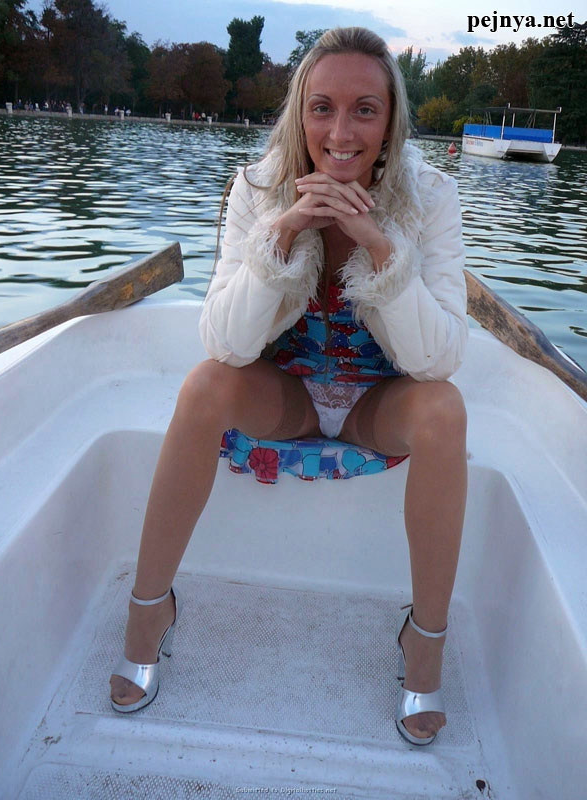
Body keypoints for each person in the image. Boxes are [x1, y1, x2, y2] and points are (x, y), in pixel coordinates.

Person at [109, 26, 468, 748]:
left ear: (391, 119)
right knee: (204, 385)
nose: (341, 132)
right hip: (289, 395)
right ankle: (149, 610)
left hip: (378, 401)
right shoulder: (256, 187)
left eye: (365, 110)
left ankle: (424, 639)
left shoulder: (431, 196)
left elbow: (438, 358)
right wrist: (280, 236)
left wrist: (380, 246)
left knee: (444, 410)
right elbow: (226, 344)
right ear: (300, 113)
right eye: (322, 108)